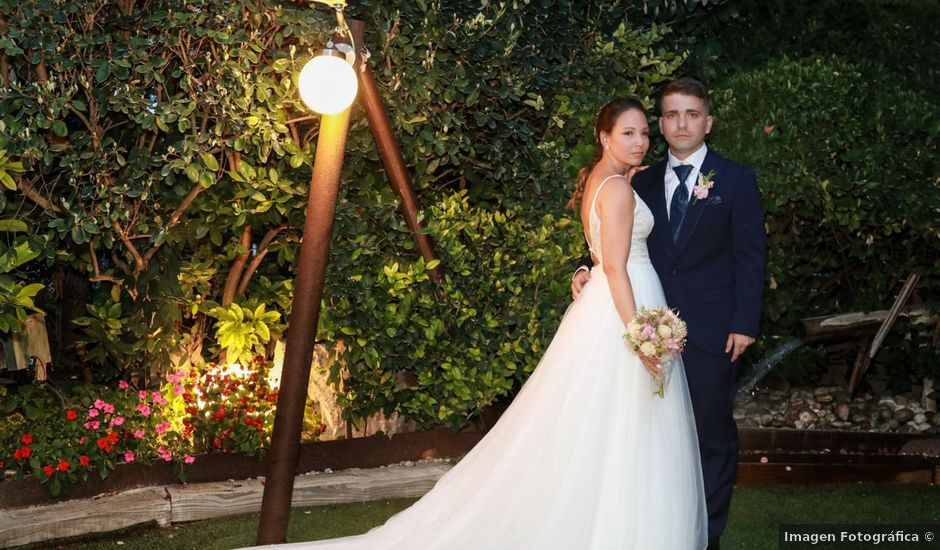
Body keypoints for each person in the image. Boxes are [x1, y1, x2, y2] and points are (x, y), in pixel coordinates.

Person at [243, 98, 707, 550]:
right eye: (629, 133)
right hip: (623, 309)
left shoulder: (603, 181)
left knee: (603, 427)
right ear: (604, 137)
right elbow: (615, 268)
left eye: (645, 132)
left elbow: (601, 255)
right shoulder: (620, 188)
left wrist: (585, 271)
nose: (641, 141)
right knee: (626, 427)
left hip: (604, 310)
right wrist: (640, 336)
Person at [573, 78, 767, 550]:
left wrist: (745, 322)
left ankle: (708, 536)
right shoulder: (637, 177)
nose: (681, 123)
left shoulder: (736, 180)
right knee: (653, 436)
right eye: (672, 115)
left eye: (692, 114)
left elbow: (751, 255)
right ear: (661, 123)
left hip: (713, 330)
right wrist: (584, 267)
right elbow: (612, 238)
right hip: (645, 324)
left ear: (708, 122)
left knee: (711, 437)